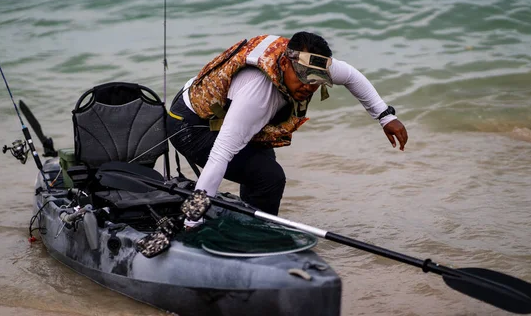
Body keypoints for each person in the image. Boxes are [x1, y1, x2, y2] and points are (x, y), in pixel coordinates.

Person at [167, 32, 408, 226]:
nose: (308, 86)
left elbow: (352, 76)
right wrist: (192, 219)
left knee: (263, 169)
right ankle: (257, 234)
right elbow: (220, 155)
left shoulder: (313, 62)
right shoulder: (257, 94)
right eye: (303, 77)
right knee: (269, 177)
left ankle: (253, 226)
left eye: (316, 81)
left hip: (223, 113)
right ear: (284, 63)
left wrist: (385, 117)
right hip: (190, 124)